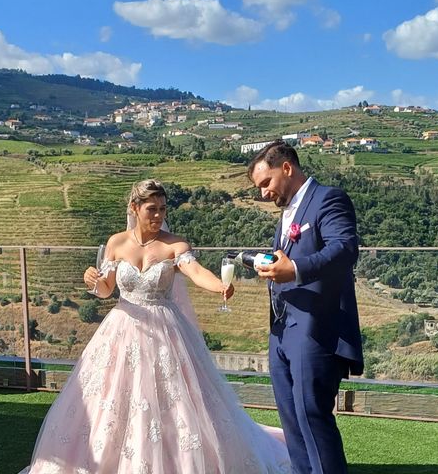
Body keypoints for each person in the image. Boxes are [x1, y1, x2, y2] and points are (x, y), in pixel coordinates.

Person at [21, 179, 291, 473]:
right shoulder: (116, 243)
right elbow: (106, 289)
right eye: (152, 209)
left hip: (166, 332)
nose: (159, 215)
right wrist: (93, 282)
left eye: (163, 209)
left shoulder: (175, 244)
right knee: (112, 399)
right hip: (122, 328)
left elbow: (196, 271)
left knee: (174, 403)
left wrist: (219, 287)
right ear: (135, 208)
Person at [247, 141, 363, 474]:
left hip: (315, 328)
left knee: (313, 416)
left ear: (286, 167)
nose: (264, 194)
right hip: (282, 330)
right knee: (293, 423)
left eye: (266, 183)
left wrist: (294, 270)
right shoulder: (286, 215)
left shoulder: (329, 198)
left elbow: (345, 248)